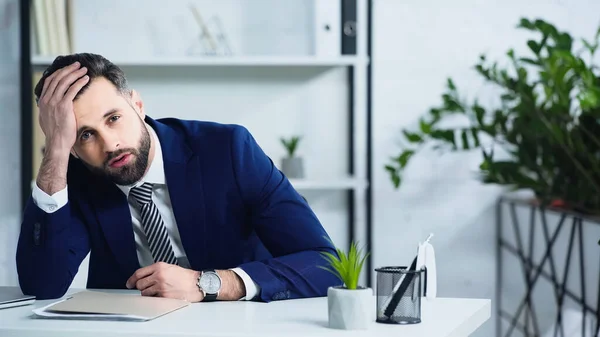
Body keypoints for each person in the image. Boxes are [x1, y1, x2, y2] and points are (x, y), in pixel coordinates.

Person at [16, 53, 340, 302]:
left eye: (113, 118)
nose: (109, 144)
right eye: (84, 135)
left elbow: (326, 265)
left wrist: (209, 283)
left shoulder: (228, 150)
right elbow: (42, 285)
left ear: (137, 104)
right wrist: (55, 151)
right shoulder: (72, 177)